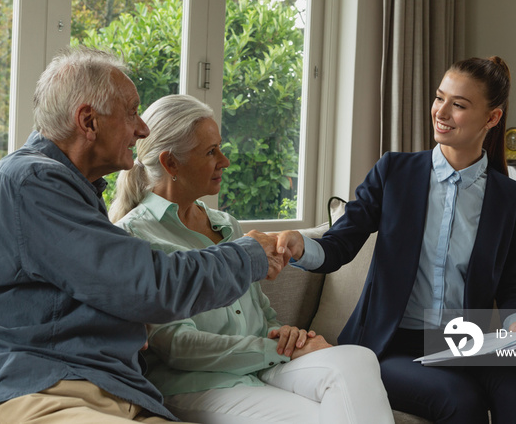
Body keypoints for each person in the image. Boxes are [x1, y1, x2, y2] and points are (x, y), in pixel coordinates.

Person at [0, 46, 289, 424]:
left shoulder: (75, 192)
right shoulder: (32, 182)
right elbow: (150, 286)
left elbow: (106, 292)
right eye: (132, 112)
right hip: (28, 391)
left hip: (106, 391)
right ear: (88, 120)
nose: (142, 129)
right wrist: (247, 255)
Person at [277, 57, 516, 423]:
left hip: (463, 341)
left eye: (459, 105)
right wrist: (299, 244)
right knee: (459, 400)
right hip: (390, 344)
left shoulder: (511, 200)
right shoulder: (394, 172)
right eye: (439, 98)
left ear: (492, 118)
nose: (441, 111)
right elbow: (339, 244)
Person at [110, 94, 395, 424]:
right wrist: (272, 349)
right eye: (211, 151)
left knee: (357, 360)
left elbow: (261, 312)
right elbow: (176, 345)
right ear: (172, 163)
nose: (225, 161)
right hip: (199, 385)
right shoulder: (135, 235)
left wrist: (285, 334)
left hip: (264, 363)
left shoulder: (225, 224)